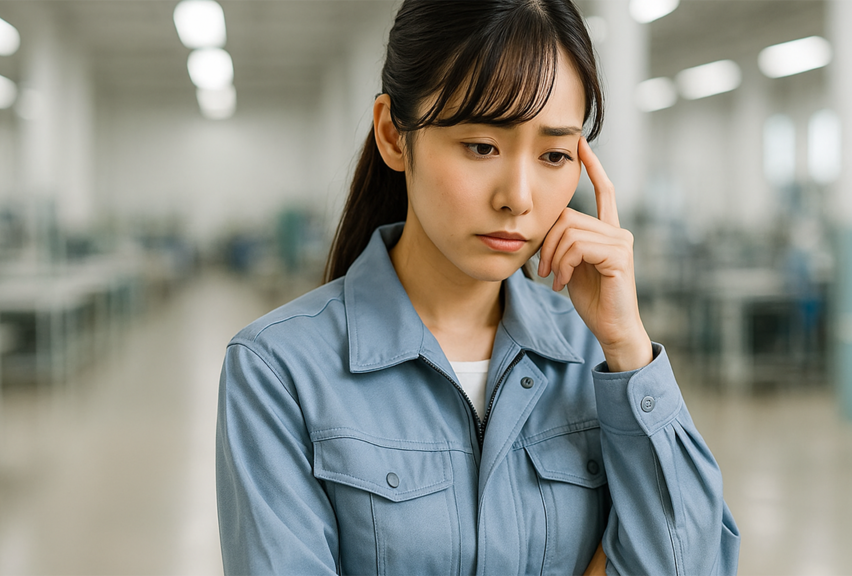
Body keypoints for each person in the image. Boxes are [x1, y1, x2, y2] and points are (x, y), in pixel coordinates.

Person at [215, 0, 740, 574]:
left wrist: (628, 345)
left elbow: (693, 563)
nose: (517, 196)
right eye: (482, 146)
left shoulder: (594, 361)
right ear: (394, 135)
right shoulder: (280, 372)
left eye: (555, 154)